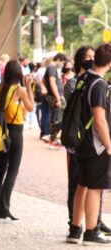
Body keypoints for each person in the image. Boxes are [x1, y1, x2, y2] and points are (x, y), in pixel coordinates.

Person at [66, 43, 111, 246]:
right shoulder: (99, 84)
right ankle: (91, 231)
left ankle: (75, 229)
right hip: (96, 144)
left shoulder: (83, 79)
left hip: (80, 141)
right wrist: (109, 145)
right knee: (94, 188)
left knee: (82, 185)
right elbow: (99, 118)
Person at [0, 60, 34, 222]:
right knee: (13, 170)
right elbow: (30, 108)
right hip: (15, 132)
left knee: (0, 170)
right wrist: (28, 87)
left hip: (1, 131)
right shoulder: (19, 90)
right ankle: (4, 208)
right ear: (19, 74)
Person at [43, 53, 67, 150]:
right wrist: (58, 98)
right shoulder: (52, 67)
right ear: (59, 60)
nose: (62, 64)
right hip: (54, 96)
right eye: (62, 62)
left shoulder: (50, 67)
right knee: (57, 119)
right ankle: (53, 140)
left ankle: (53, 140)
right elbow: (52, 83)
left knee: (56, 117)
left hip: (53, 96)